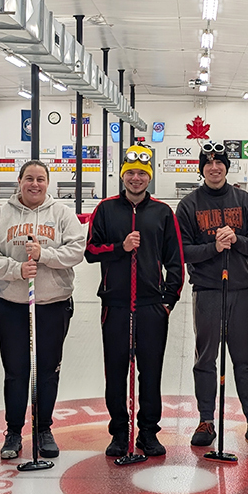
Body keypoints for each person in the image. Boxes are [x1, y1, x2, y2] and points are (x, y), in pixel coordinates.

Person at [0, 160, 85, 459]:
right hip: (12, 305)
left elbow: (77, 249)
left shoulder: (62, 214)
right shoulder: (1, 215)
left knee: (48, 371)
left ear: (47, 183)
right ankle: (13, 432)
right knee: (16, 371)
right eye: (29, 179)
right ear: (19, 181)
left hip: (52, 304)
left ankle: (43, 428)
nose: (34, 184)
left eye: (40, 179)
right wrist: (16, 269)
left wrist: (45, 255)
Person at [85, 145, 183, 457]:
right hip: (115, 305)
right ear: (123, 175)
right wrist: (120, 247)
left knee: (150, 372)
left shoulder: (163, 213)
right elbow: (91, 251)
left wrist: (167, 301)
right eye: (131, 173)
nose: (136, 178)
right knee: (115, 372)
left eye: (142, 173)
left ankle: (149, 432)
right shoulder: (106, 209)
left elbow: (176, 262)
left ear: (149, 177)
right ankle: (119, 432)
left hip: (151, 306)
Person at [176, 141, 248, 449]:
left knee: (244, 358)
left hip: (242, 291)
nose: (214, 168)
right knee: (206, 358)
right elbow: (182, 251)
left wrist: (237, 240)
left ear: (227, 168)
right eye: (208, 164)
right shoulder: (189, 205)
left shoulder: (244, 200)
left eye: (219, 164)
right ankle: (206, 418)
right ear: (202, 169)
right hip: (207, 291)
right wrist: (214, 247)